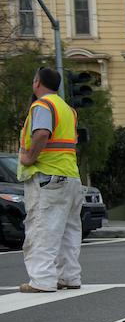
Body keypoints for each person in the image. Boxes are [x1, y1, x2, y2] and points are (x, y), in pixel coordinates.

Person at [16, 67, 83, 293]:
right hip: (71, 176)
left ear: (37, 82)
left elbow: (42, 133)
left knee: (42, 227)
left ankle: (42, 280)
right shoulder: (67, 109)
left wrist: (29, 157)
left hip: (48, 176)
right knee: (69, 230)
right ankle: (70, 277)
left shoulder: (42, 105)